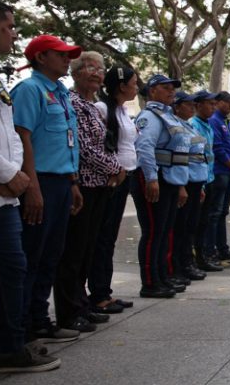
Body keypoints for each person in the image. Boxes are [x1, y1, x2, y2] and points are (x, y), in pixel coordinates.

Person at [0, 0, 60, 372]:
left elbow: (6, 130)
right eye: (9, 27)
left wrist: (14, 176)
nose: (13, 34)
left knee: (11, 271)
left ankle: (12, 348)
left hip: (2, 198)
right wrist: (9, 173)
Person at [11, 34, 83, 344]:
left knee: (51, 255)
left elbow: (67, 143)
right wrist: (33, 187)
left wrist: (73, 182)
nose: (68, 60)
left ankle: (40, 319)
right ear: (41, 57)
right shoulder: (29, 90)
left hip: (61, 182)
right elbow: (21, 137)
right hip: (39, 181)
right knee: (32, 255)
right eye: (61, 54)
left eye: (69, 55)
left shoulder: (61, 93)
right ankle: (23, 324)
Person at [54, 52, 123, 333]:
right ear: (76, 72)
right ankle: (69, 310)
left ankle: (82, 304)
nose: (97, 74)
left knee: (87, 250)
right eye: (91, 68)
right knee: (74, 251)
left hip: (99, 185)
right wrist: (115, 168)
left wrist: (111, 169)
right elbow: (84, 147)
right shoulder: (74, 102)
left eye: (100, 69)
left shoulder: (92, 106)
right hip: (83, 184)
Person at [131, 74, 190, 298]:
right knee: (153, 231)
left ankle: (162, 276)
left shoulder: (168, 116)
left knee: (164, 231)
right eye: (165, 88)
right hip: (155, 179)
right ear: (152, 90)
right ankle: (150, 282)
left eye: (172, 88)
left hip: (170, 179)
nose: (171, 92)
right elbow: (145, 147)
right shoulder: (149, 116)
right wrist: (151, 178)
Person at [90, 65, 139, 313]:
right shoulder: (102, 109)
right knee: (102, 237)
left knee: (109, 238)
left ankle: (104, 291)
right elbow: (100, 145)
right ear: (121, 86)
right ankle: (98, 294)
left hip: (125, 178)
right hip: (110, 180)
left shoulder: (122, 111)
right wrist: (113, 170)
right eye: (134, 82)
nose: (137, 87)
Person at [172, 91, 214, 281]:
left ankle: (188, 262)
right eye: (188, 104)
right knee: (183, 227)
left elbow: (200, 157)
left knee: (192, 225)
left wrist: (202, 184)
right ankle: (182, 264)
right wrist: (182, 185)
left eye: (193, 104)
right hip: (187, 182)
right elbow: (182, 158)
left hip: (198, 181)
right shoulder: (181, 127)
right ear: (178, 106)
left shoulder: (190, 128)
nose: (192, 107)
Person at [207, 91, 230, 262]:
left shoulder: (227, 122)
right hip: (220, 171)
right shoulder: (214, 120)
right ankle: (211, 249)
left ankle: (222, 248)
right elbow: (218, 149)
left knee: (223, 212)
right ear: (218, 102)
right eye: (227, 102)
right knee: (215, 212)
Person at [191, 92, 223, 271]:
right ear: (199, 105)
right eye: (210, 104)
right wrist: (202, 184)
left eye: (214, 104)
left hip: (209, 178)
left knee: (205, 221)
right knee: (196, 222)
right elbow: (196, 156)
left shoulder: (208, 125)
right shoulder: (193, 125)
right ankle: (194, 259)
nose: (213, 107)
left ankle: (203, 257)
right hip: (199, 181)